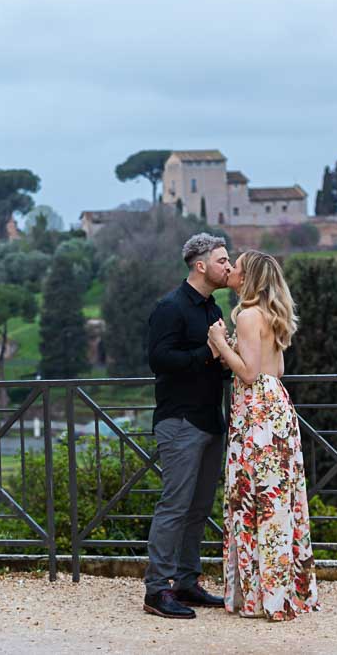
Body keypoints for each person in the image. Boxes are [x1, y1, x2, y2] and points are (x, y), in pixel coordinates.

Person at [208, 250, 320, 621]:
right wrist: (233, 351)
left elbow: (249, 374)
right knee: (279, 498)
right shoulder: (271, 315)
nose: (232, 270)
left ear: (248, 277)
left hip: (255, 412)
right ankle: (285, 593)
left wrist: (222, 344)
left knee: (251, 499)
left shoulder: (247, 315)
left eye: (237, 266)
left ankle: (259, 597)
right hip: (277, 408)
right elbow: (277, 368)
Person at [143, 233, 231, 620]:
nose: (228, 267)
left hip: (211, 419)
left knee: (198, 509)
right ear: (201, 265)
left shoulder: (213, 309)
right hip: (180, 422)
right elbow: (159, 360)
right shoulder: (170, 307)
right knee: (174, 508)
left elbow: (214, 362)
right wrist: (209, 353)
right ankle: (156, 591)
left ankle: (186, 582)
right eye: (222, 261)